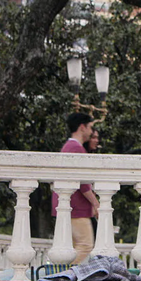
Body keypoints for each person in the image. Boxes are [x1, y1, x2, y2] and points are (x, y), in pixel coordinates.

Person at [51, 112, 99, 264]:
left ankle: (64, 274)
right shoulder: (75, 148)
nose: (91, 132)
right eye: (90, 127)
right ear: (82, 127)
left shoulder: (70, 146)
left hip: (70, 205)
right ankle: (66, 274)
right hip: (75, 206)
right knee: (85, 245)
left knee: (71, 248)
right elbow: (83, 183)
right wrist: (96, 203)